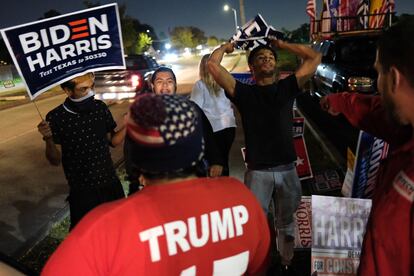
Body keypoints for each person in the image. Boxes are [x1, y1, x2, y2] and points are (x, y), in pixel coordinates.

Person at [42, 93, 270, 275]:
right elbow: (259, 265)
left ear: (138, 161)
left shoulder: (105, 229)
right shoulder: (240, 197)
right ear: (199, 147)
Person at [208, 39, 321, 272]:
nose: (267, 59)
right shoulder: (243, 92)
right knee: (255, 224)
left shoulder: (288, 87)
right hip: (257, 172)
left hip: (288, 170)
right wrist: (225, 48)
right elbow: (212, 65)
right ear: (252, 68)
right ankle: (260, 263)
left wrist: (281, 44)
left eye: (271, 57)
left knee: (287, 223)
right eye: (261, 58)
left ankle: (287, 262)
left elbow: (314, 57)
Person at [319, 17, 414, 276]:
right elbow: (378, 113)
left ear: (393, 77)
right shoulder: (405, 129)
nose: (377, 86)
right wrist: (341, 102)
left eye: (378, 72)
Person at [37, 73, 126, 229]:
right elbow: (55, 160)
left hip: (110, 183)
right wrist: (48, 139)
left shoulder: (100, 108)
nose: (91, 93)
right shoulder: (56, 117)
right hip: (83, 191)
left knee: (120, 229)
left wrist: (129, 124)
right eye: (83, 89)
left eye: (92, 87)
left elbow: (112, 141)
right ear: (67, 91)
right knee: (86, 236)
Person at [191, 54, 237, 176]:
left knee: (215, 163)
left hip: (213, 130)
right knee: (225, 160)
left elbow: (195, 109)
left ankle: (219, 190)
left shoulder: (200, 85)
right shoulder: (224, 83)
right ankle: (227, 186)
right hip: (230, 126)